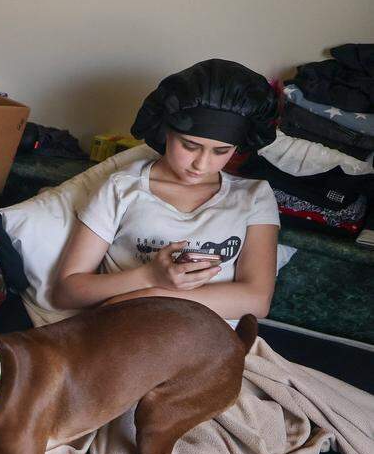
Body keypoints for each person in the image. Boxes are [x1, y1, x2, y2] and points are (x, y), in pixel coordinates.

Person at [52, 59, 280, 320]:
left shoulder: (254, 197)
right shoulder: (122, 187)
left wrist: (151, 295)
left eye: (221, 151)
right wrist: (149, 275)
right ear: (165, 131)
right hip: (121, 333)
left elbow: (257, 302)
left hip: (209, 345)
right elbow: (66, 292)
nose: (201, 164)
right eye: (190, 146)